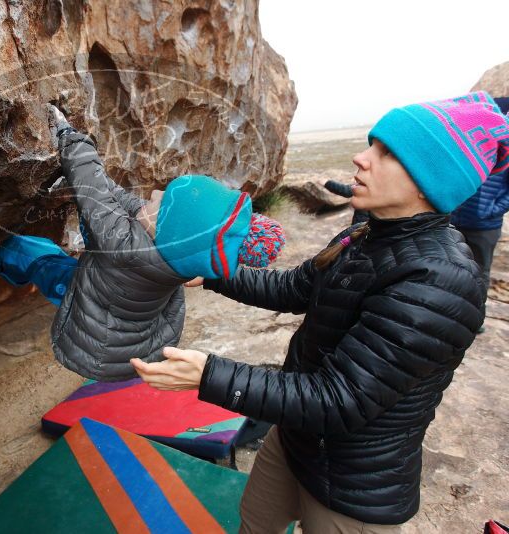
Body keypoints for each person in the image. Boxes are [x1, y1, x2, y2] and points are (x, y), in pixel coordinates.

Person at [132, 91, 509, 533]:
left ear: (431, 179)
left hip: (353, 487)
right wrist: (214, 274)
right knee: (254, 524)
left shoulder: (440, 280)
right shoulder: (368, 234)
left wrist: (208, 375)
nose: (361, 158)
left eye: (387, 153)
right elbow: (296, 286)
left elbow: (339, 399)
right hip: (295, 439)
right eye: (372, 144)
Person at [0, 105, 285, 382]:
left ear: (163, 227)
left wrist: (67, 134)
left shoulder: (125, 244)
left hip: (96, 345)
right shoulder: (172, 248)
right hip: (136, 335)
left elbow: (92, 187)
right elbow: (119, 200)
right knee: (104, 238)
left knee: (40, 258)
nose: (153, 193)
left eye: (161, 199)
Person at [451, 96, 509, 330]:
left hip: (486, 225)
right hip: (456, 218)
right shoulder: (472, 142)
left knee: (480, 272)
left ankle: (476, 318)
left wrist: (492, 210)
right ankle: (454, 313)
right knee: (454, 269)